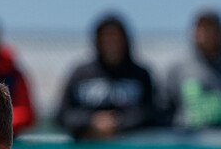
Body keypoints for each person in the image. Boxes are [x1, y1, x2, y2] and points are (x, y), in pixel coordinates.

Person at [55, 12, 160, 140]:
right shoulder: (81, 74)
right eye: (105, 37)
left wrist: (118, 123)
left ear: (125, 40)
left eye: (116, 37)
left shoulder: (141, 75)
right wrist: (92, 121)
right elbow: (62, 115)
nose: (111, 43)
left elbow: (152, 112)